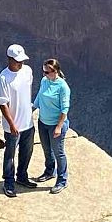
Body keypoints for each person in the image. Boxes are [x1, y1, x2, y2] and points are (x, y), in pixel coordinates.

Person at [0, 43, 35, 197]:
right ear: (10, 59)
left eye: (22, 60)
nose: (21, 63)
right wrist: (12, 124)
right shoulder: (4, 78)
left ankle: (22, 177)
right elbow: (3, 104)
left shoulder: (27, 71)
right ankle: (9, 182)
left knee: (27, 152)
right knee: (10, 154)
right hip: (13, 126)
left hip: (28, 123)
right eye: (18, 60)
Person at [31, 57, 72, 192]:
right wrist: (31, 109)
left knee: (58, 153)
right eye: (43, 71)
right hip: (43, 122)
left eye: (47, 72)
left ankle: (62, 180)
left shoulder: (63, 87)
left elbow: (64, 109)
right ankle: (49, 171)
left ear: (56, 71)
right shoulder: (44, 81)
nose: (44, 74)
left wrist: (59, 127)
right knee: (47, 150)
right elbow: (39, 97)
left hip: (56, 125)